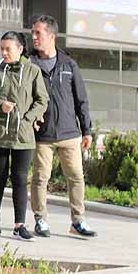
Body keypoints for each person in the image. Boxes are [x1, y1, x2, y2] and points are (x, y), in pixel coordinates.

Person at [28, 14, 97, 238]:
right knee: (40, 178)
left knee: (76, 177)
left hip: (69, 133)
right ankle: (40, 220)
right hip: (42, 134)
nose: (34, 37)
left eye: (38, 33)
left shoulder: (69, 64)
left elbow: (81, 99)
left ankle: (78, 222)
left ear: (51, 36)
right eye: (33, 33)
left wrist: (87, 129)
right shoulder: (29, 64)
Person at [0, 31, 49, 240]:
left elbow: (42, 100)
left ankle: (19, 225)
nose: (4, 52)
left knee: (19, 178)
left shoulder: (33, 72)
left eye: (8, 48)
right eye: (2, 49)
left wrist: (27, 119)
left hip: (23, 136)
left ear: (20, 49)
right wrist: (0, 105)